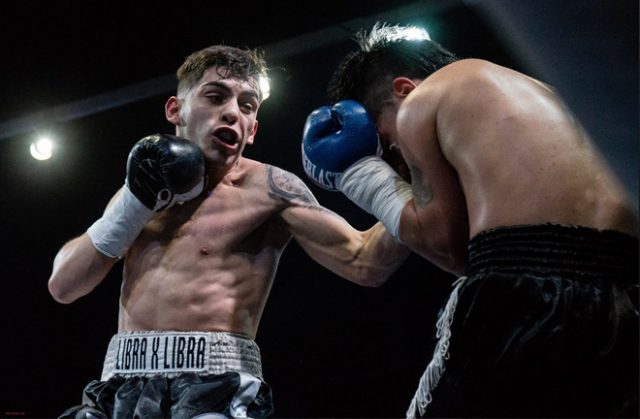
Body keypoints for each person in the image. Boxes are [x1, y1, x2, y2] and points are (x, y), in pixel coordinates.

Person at [48, 44, 409, 418]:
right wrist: (133, 204)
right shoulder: (142, 186)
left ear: (253, 130)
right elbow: (64, 286)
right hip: (121, 385)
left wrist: (405, 180)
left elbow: (366, 261)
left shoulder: (270, 189)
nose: (233, 112)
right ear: (176, 110)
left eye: (248, 105)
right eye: (216, 96)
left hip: (216, 388)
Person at [301, 23, 639, 418]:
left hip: (526, 303)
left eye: (388, 145)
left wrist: (360, 173)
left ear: (404, 89)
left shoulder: (423, 100)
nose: (398, 164)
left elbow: (448, 248)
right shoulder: (553, 96)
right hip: (626, 309)